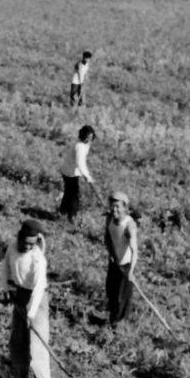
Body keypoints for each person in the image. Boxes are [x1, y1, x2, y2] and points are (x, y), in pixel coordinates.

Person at [2, 220, 50, 378]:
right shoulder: (12, 248)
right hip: (21, 294)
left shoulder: (38, 258)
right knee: (18, 337)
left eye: (32, 243)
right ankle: (20, 374)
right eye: (25, 242)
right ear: (19, 237)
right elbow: (6, 267)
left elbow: (38, 289)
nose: (28, 246)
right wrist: (7, 288)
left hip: (37, 300)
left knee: (37, 342)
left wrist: (31, 313)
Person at [104, 191, 138, 325]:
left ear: (125, 207)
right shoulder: (109, 219)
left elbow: (134, 251)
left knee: (122, 296)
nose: (114, 209)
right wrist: (111, 253)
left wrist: (131, 271)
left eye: (118, 206)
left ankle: (120, 324)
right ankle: (112, 317)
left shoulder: (129, 226)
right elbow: (107, 237)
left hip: (126, 264)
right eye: (112, 206)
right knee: (111, 291)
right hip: (114, 261)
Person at [58, 125, 102, 221]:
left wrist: (87, 175)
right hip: (70, 172)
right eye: (87, 137)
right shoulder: (80, 146)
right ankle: (72, 215)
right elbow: (80, 163)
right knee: (74, 195)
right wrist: (87, 177)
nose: (88, 139)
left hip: (69, 170)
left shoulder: (84, 144)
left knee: (68, 192)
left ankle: (63, 211)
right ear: (83, 136)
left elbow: (82, 163)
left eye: (90, 137)